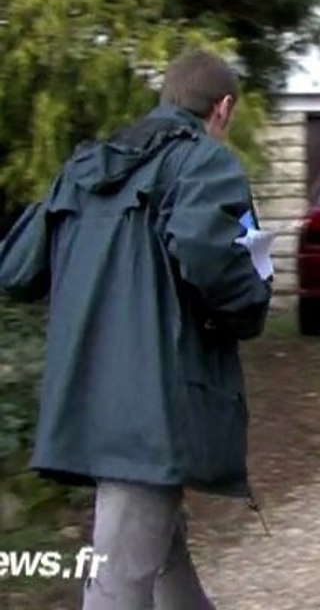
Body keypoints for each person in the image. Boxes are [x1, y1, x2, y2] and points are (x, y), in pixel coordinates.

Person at [0, 49, 272, 609]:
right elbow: (209, 254)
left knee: (160, 552)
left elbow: (18, 269)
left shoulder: (85, 167)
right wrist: (249, 303)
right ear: (223, 108)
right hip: (152, 404)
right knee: (119, 583)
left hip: (84, 394)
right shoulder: (206, 164)